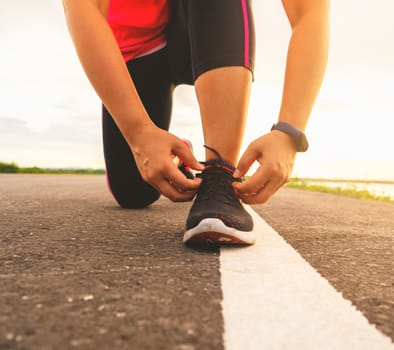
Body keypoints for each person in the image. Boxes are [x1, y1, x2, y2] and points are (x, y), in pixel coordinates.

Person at [62, 0, 329, 245]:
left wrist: (288, 132)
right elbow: (84, 8)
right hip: (140, 46)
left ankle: (219, 171)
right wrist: (139, 134)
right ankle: (181, 155)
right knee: (133, 192)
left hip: (211, 22)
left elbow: (310, 11)